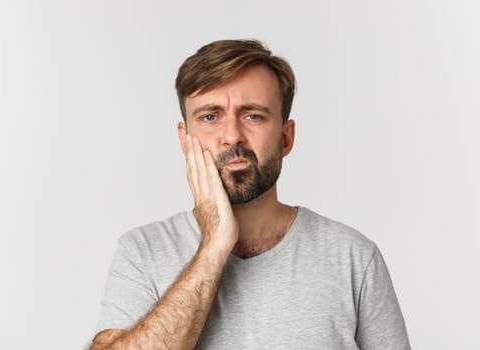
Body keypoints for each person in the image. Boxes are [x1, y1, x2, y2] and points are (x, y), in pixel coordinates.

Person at [90, 39, 411, 350]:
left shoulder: (352, 257)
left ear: (286, 138)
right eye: (210, 117)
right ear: (185, 139)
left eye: (253, 115)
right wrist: (214, 246)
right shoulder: (143, 252)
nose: (232, 136)